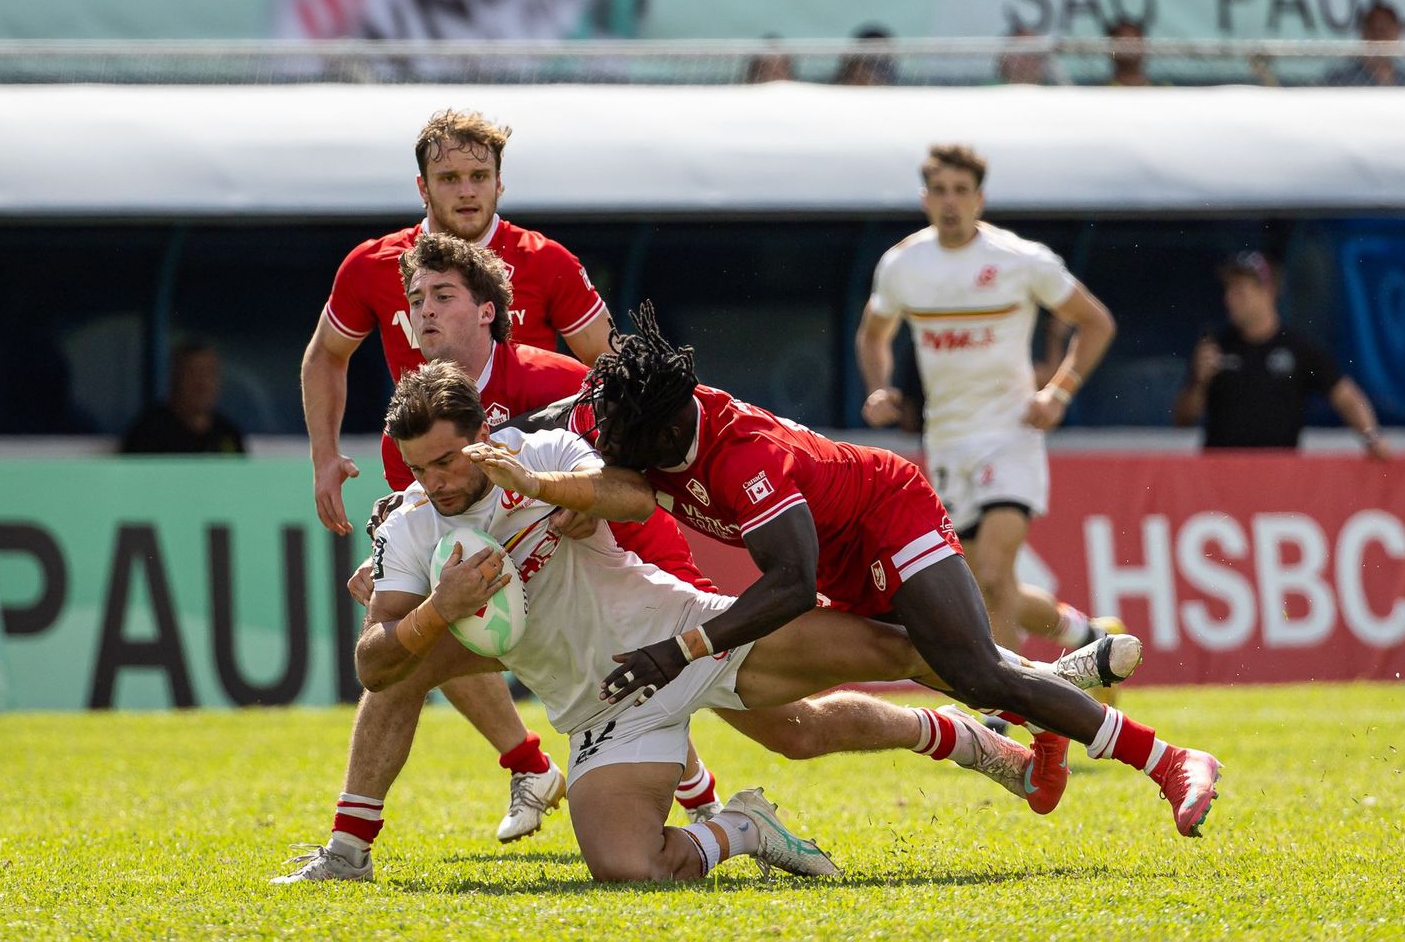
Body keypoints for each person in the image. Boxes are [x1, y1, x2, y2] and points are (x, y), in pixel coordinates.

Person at [279, 234, 1128, 882]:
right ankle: (448, 810)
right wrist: (421, 590)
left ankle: (1023, 692)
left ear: (487, 310)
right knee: (412, 661)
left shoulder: (546, 387)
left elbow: (630, 480)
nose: (422, 313)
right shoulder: (417, 455)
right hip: (580, 662)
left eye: (441, 297)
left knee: (810, 717)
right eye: (414, 301)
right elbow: (387, 643)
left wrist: (556, 501)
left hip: (656, 587)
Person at [565, 305, 1224, 840]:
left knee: (971, 671)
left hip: (886, 512)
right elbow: (588, 446)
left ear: (670, 426)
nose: (610, 446)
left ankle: (1171, 762)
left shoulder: (743, 460)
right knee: (937, 661)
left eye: (623, 441)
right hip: (841, 549)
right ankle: (1047, 697)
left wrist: (679, 651)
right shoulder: (633, 415)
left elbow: (791, 584)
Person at [298, 109, 613, 846]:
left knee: (613, 640)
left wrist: (596, 488)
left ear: (501, 182)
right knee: (420, 635)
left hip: (539, 493)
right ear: (423, 186)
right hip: (430, 493)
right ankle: (369, 834)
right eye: (450, 178)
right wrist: (323, 454)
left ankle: (689, 797)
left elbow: (611, 372)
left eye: (479, 177)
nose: (467, 192)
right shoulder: (374, 264)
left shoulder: (549, 263)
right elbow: (325, 356)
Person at [855, 145, 1124, 665]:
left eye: (960, 191)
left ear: (979, 199)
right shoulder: (902, 265)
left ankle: (1012, 717)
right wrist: (879, 388)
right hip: (948, 440)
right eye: (939, 191)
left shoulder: (1020, 261)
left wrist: (1058, 393)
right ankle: (1084, 633)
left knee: (995, 575)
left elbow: (1097, 322)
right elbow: (873, 335)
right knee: (981, 586)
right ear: (924, 199)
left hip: (1010, 433)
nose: (950, 202)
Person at [1173, 251, 1391, 457]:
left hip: (1278, 478)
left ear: (1267, 291)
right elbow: (1182, 419)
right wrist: (1199, 384)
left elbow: (1346, 396)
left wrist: (1371, 437)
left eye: (1239, 290)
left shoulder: (1299, 349)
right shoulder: (1215, 346)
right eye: (1227, 290)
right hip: (1221, 479)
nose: (1229, 299)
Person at [121, 341, 245, 454]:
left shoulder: (229, 433)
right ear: (175, 378)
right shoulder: (148, 433)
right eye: (193, 373)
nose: (203, 384)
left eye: (210, 373)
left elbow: (242, 477)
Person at [1323, 1, 1405, 87]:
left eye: (1385, 30)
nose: (1379, 37)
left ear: (1397, 32)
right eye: (1373, 30)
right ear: (1364, 34)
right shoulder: (1341, 79)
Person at [832, 25, 897, 85]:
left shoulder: (903, 88)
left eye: (882, 60)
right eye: (870, 60)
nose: (875, 68)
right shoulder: (831, 90)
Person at [1104, 18, 1154, 87]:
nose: (1129, 49)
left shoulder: (1167, 92)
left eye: (1134, 43)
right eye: (1122, 44)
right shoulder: (1098, 94)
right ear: (1111, 52)